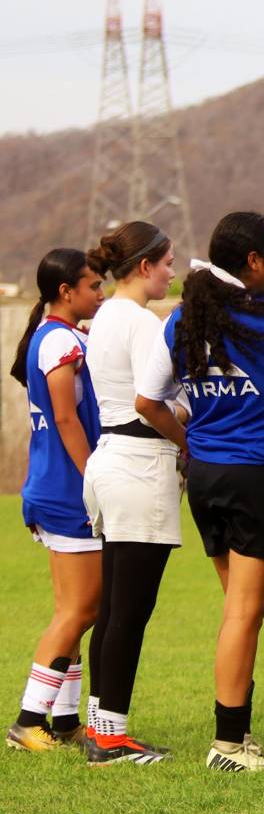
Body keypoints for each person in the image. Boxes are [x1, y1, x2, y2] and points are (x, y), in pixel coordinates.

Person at [135, 212, 264, 771]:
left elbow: (147, 403)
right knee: (244, 615)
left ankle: (239, 735)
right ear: (253, 261)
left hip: (207, 477)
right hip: (262, 478)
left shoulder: (181, 318)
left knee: (238, 610)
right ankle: (227, 745)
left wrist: (192, 444)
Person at [79, 222, 180, 764]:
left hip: (111, 461)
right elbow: (149, 402)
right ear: (144, 266)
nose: (172, 271)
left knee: (116, 606)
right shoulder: (142, 321)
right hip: (140, 465)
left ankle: (101, 728)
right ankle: (111, 736)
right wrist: (191, 444)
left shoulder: (105, 317)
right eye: (166, 262)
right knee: (130, 609)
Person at [9, 249, 102, 753]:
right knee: (80, 609)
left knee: (78, 609)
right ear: (66, 292)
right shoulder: (61, 340)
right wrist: (94, 478)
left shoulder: (53, 336)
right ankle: (27, 721)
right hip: (67, 491)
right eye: (93, 286)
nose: (100, 293)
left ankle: (64, 721)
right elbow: (66, 419)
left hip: (50, 485)